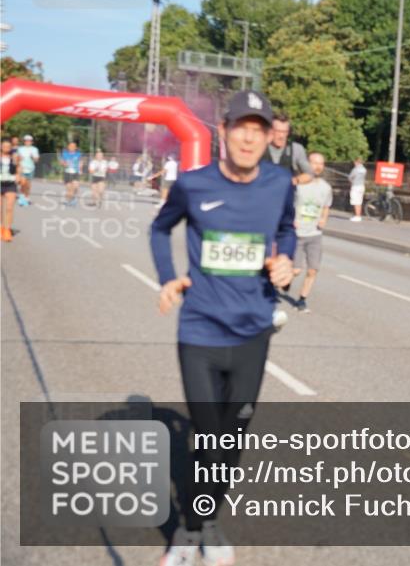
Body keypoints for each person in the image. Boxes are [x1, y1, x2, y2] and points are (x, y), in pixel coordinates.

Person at [151, 90, 295, 566]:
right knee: (207, 436)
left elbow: (288, 229)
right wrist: (167, 278)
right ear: (223, 132)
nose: (250, 137)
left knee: (232, 441)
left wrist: (286, 260)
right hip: (200, 332)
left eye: (259, 129)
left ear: (268, 136)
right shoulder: (194, 185)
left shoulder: (279, 183)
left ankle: (209, 519)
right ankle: (190, 532)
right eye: (241, 128)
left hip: (253, 332)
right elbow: (159, 229)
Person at [290, 151, 333, 313]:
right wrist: (289, 220)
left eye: (321, 163)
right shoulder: (298, 184)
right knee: (295, 271)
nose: (318, 166)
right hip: (297, 233)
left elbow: (326, 206)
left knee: (313, 269)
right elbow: (286, 203)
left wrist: (323, 219)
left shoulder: (325, 187)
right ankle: (269, 288)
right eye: (314, 162)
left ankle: (302, 300)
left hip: (314, 234)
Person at [263, 112, 313, 185]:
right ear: (270, 130)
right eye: (278, 131)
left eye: (284, 132)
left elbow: (310, 174)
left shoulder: (296, 149)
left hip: (286, 193)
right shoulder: (259, 147)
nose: (281, 136)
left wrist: (294, 181)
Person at [1, 139, 21, 241]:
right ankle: (1, 227)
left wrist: (18, 176)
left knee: (9, 207)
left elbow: (18, 167)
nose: (6, 148)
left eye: (8, 147)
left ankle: (7, 230)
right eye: (4, 146)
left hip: (11, 184)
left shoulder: (14, 157)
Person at [16, 134, 39, 206]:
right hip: (22, 168)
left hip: (30, 168)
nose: (28, 142)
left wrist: (33, 158)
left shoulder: (34, 149)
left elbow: (36, 160)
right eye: (26, 141)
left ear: (32, 142)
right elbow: (16, 158)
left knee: (28, 185)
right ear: (24, 141)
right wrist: (19, 159)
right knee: (23, 183)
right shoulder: (20, 149)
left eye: (29, 141)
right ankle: (22, 197)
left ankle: (27, 197)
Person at [60, 141, 82, 206]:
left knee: (75, 186)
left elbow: (81, 161)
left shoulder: (78, 154)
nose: (72, 147)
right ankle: (70, 200)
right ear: (68, 147)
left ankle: (73, 199)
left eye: (73, 146)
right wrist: (64, 164)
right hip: (67, 172)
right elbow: (62, 162)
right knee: (69, 189)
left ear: (75, 147)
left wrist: (80, 169)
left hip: (75, 172)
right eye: (70, 146)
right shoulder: (65, 154)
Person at [348, 157, 366, 222]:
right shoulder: (364, 169)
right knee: (359, 202)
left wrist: (351, 180)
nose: (354, 163)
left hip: (355, 186)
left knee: (355, 201)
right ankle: (358, 215)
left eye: (355, 162)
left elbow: (350, 177)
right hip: (362, 186)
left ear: (357, 162)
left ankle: (357, 216)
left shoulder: (355, 169)